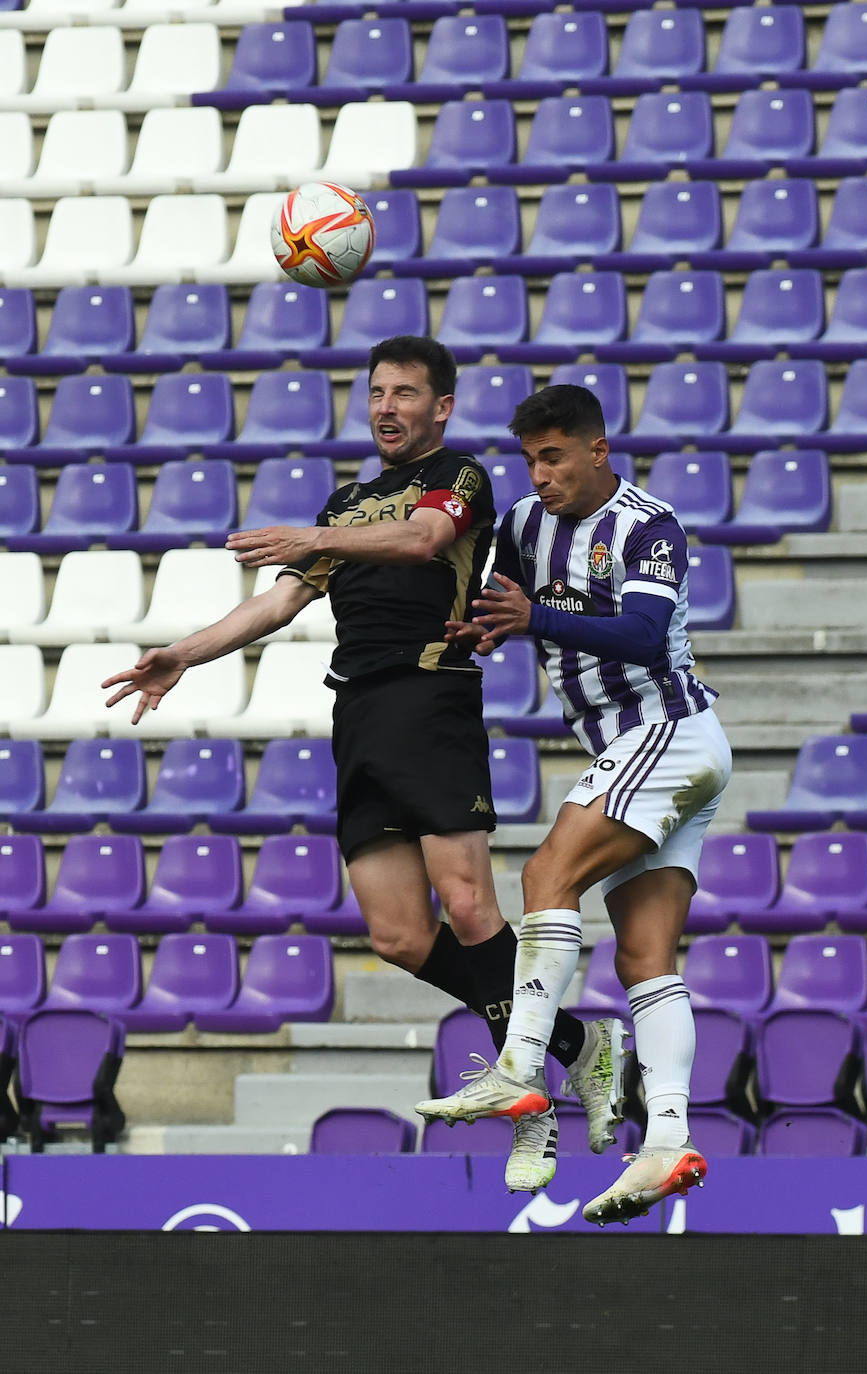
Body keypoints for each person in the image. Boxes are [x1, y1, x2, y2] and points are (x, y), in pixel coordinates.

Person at [100, 337, 626, 1191]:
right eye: (377, 392)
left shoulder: (459, 479)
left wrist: (314, 533)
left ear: (441, 407)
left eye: (405, 394)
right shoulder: (347, 500)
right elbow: (279, 599)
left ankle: (529, 1099)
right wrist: (185, 655)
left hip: (433, 701)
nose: (386, 407)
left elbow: (423, 542)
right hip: (362, 714)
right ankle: (579, 1045)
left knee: (468, 905)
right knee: (400, 936)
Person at [415, 383, 732, 1226]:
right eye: (529, 459)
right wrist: (479, 628)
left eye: (553, 457)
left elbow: (637, 634)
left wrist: (534, 618)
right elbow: (499, 607)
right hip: (635, 752)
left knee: (548, 872)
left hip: (666, 731)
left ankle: (521, 1064)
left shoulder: (647, 523)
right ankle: (666, 1141)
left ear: (597, 450)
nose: (539, 475)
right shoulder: (522, 524)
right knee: (644, 958)